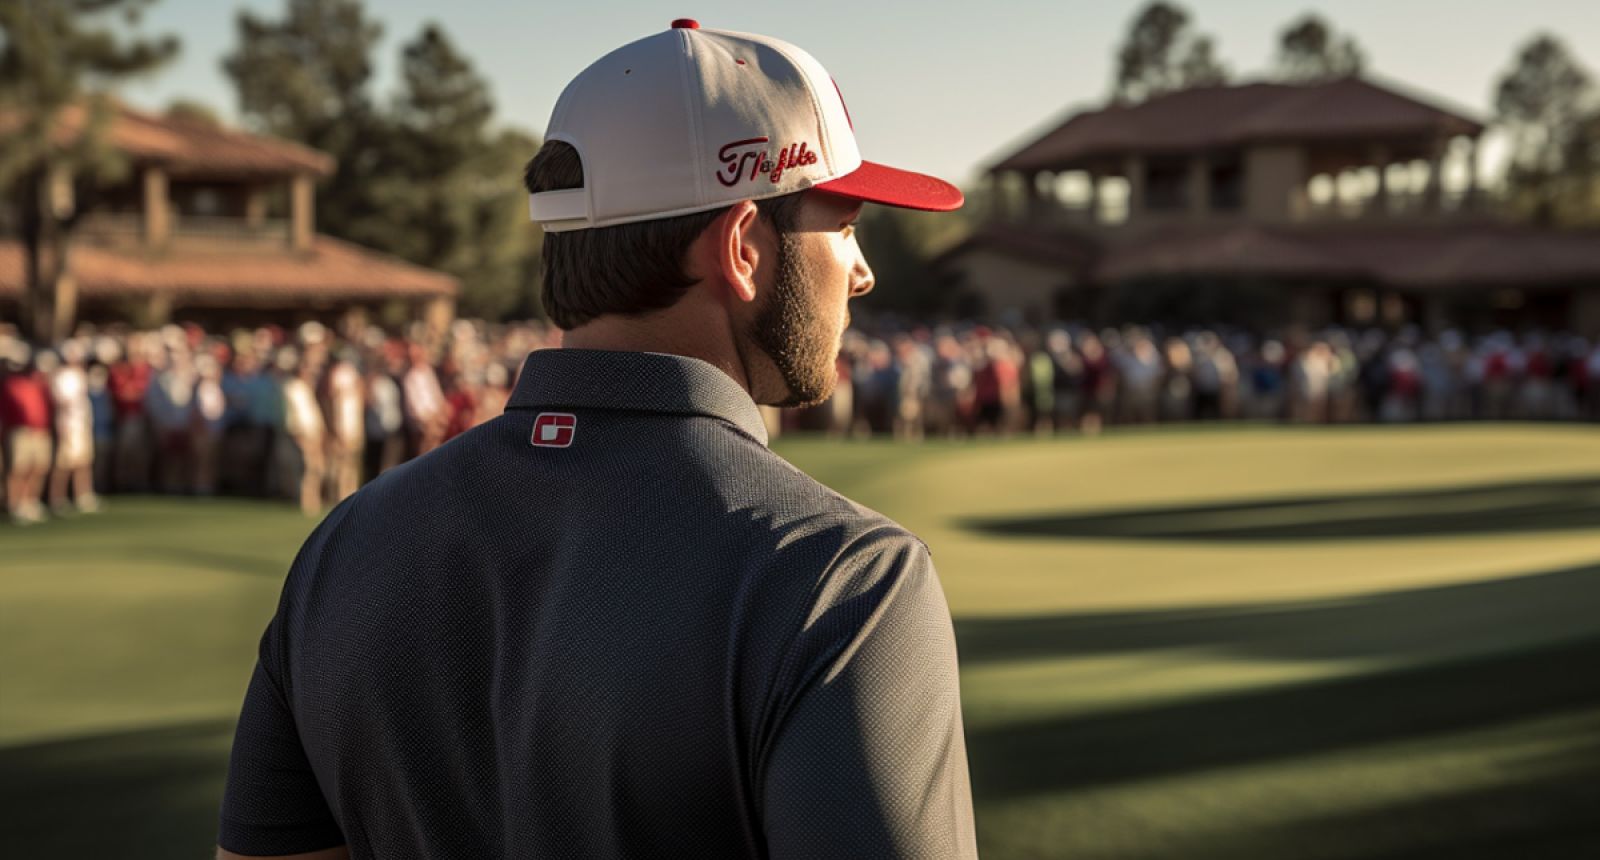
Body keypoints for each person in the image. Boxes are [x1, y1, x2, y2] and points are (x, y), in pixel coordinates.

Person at [218, 20, 976, 860]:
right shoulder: (840, 578)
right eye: (844, 225)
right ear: (743, 249)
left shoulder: (345, 546)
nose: (862, 269)